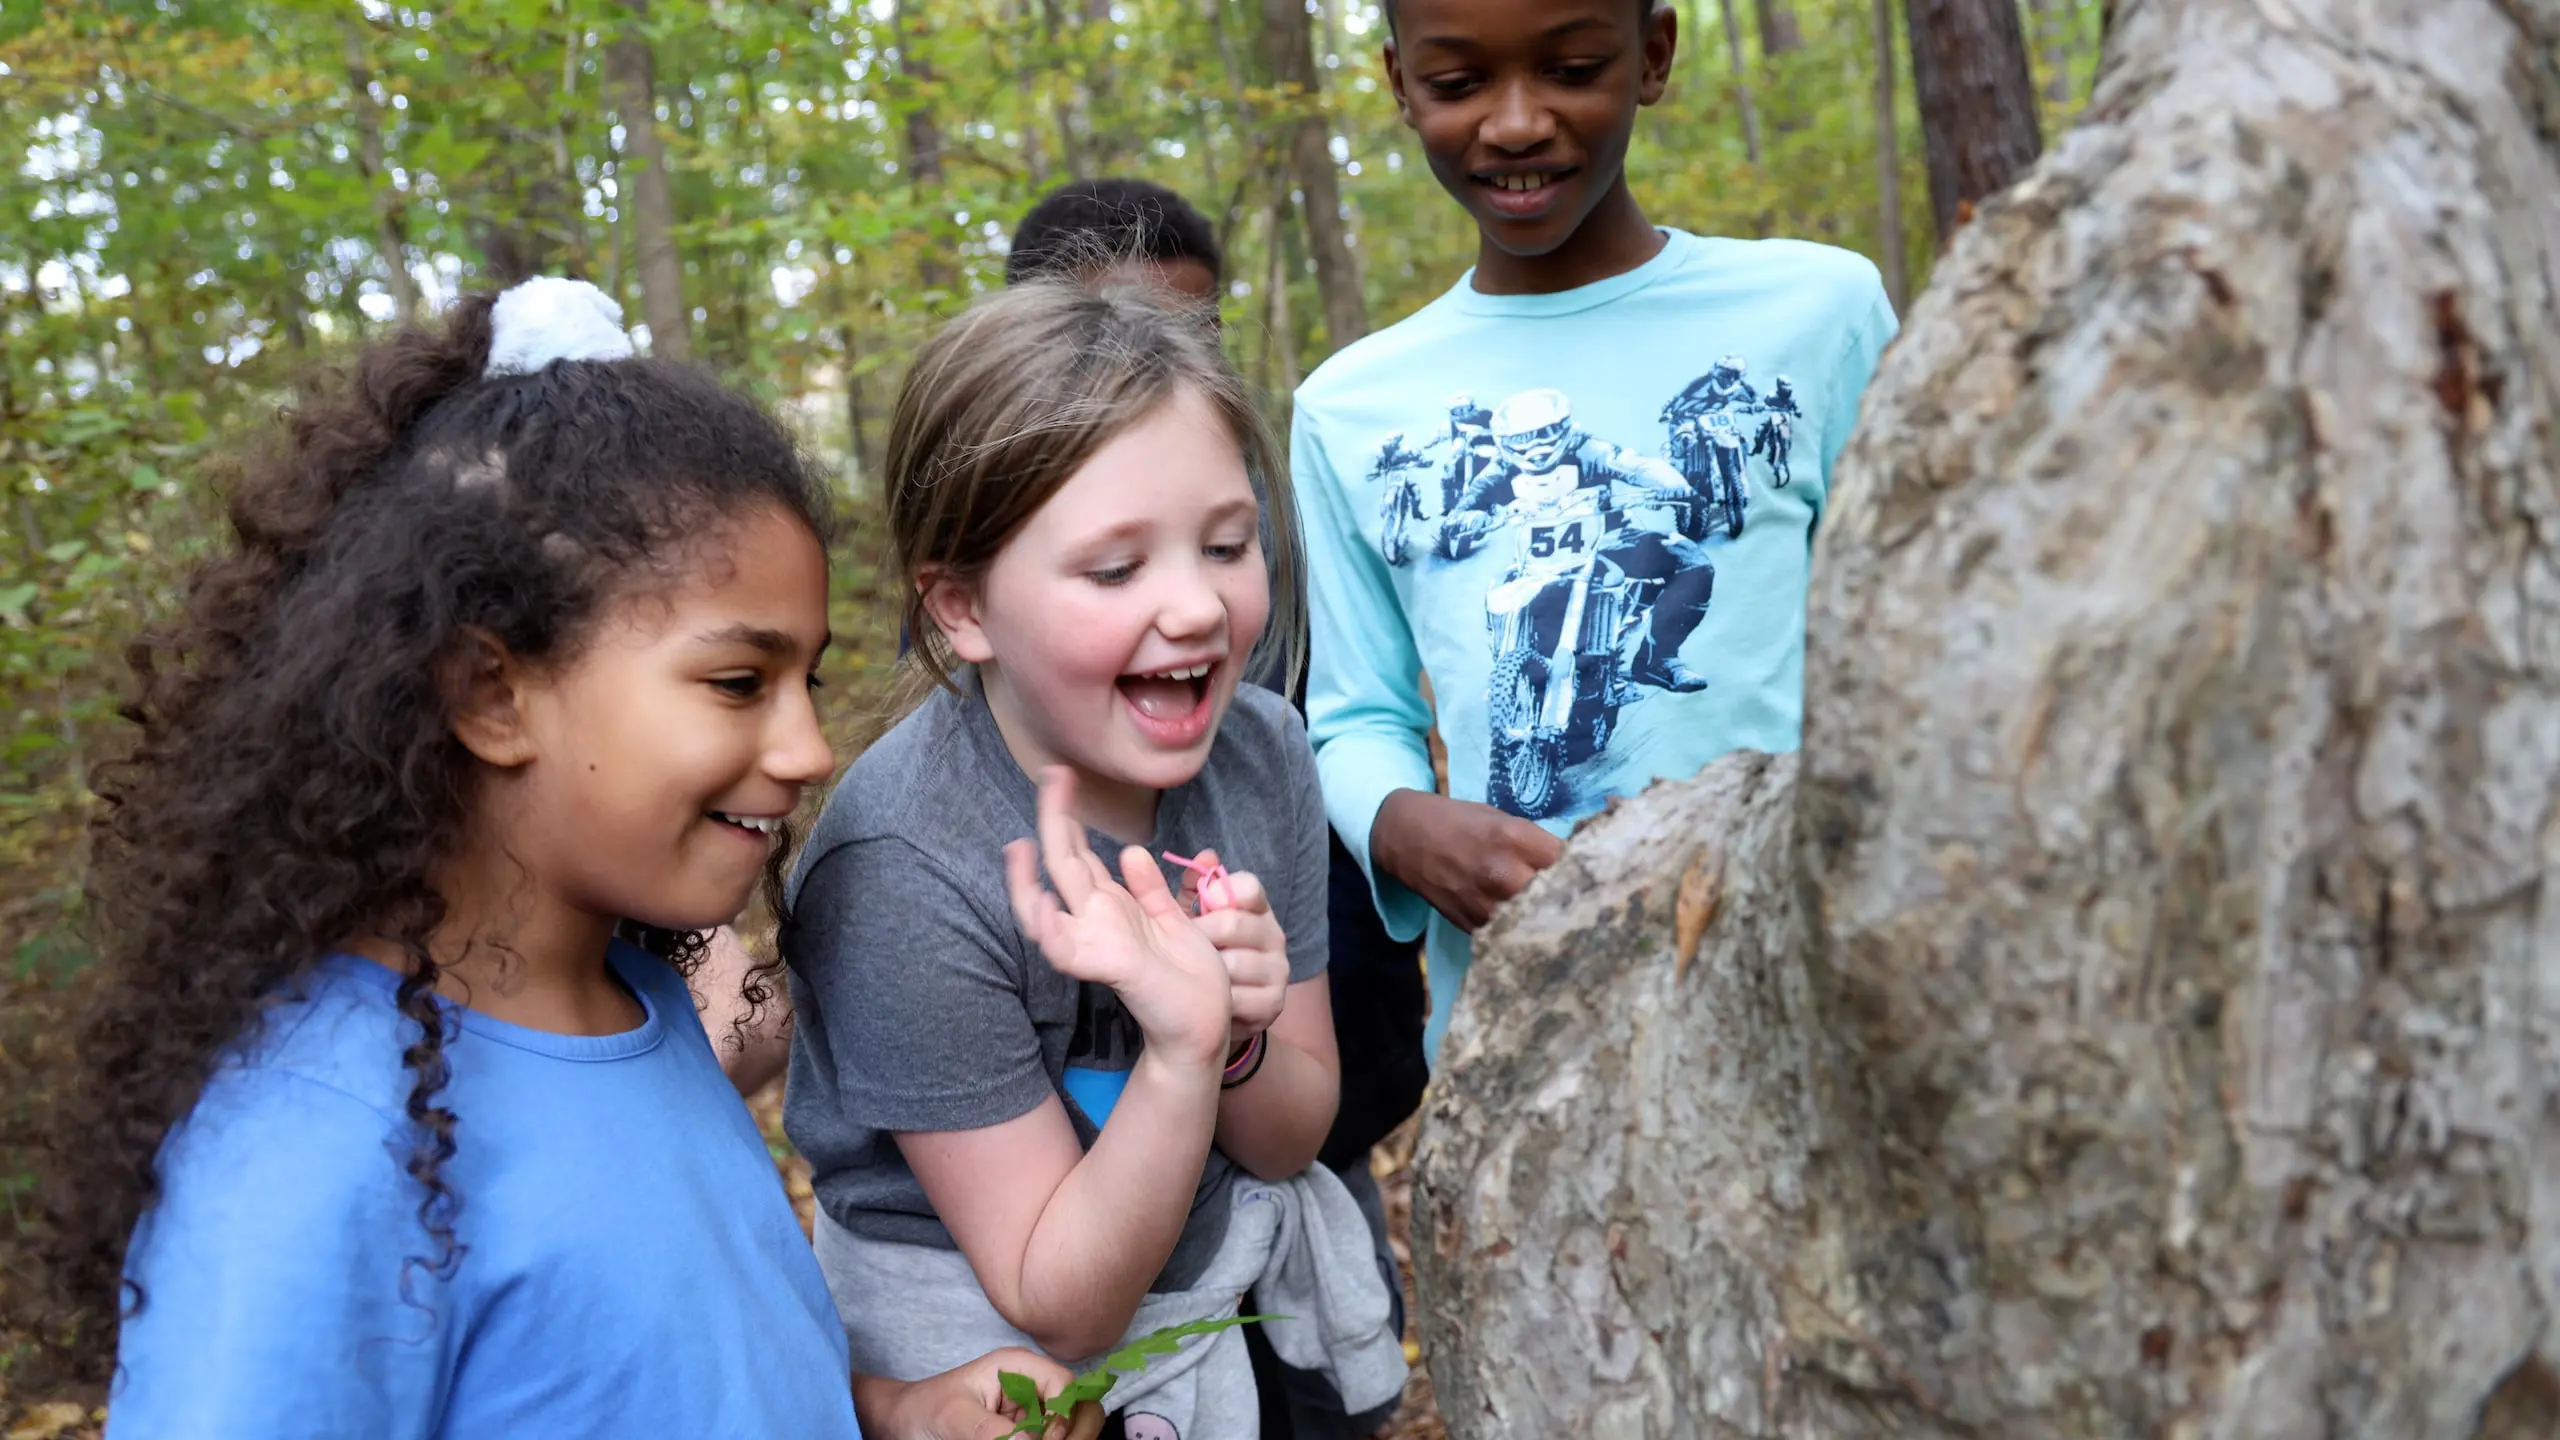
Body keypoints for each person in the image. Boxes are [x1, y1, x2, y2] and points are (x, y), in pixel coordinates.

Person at [31, 278, 1097, 1440]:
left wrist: (892, 1415)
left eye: (808, 681)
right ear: (492, 694)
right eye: (739, 682)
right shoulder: (312, 1151)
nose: (805, 748)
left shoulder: (639, 1006)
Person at [782, 282, 1400, 1440]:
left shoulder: (1260, 752)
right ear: (962, 606)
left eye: (1227, 545)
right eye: (1115, 570)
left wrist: (1239, 1035)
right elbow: (1061, 1304)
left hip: (1216, 1291)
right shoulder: (902, 873)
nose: (1196, 608)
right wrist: (1180, 1045)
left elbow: (1286, 1137)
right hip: (998, 1361)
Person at [1295, 0, 1901, 1059]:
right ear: (1399, 85)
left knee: (1678, 574)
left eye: (1572, 67)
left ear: (1652, 55)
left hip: (1807, 981)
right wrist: (1399, 823)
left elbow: (1911, 641)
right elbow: (1352, 714)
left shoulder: (1817, 313)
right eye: (1456, 83)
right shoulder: (1352, 405)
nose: (1517, 122)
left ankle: (1650, 658)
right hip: (1531, 1023)